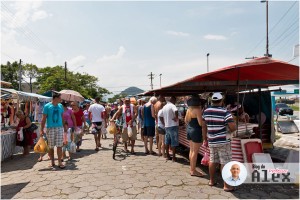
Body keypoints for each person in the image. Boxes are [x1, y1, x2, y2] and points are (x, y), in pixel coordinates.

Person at [202, 92, 236, 192]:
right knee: (225, 162)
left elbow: (204, 126)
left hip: (211, 140)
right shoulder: (225, 112)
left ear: (212, 101)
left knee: (213, 160)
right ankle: (226, 185)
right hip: (223, 141)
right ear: (221, 101)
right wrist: (231, 128)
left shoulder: (206, 111)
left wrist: (205, 139)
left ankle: (211, 181)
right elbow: (233, 127)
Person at [40, 92, 65, 169]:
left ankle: (60, 162)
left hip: (59, 128)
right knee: (51, 146)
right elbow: (43, 119)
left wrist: (65, 127)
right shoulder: (47, 106)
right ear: (55, 98)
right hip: (50, 128)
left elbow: (62, 117)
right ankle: (52, 161)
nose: (61, 99)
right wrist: (41, 129)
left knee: (59, 145)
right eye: (60, 98)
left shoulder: (60, 106)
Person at [185, 94, 204, 177]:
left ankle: (191, 169)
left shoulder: (188, 110)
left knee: (191, 150)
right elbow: (201, 123)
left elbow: (186, 120)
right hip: (196, 131)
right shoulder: (197, 110)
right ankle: (193, 170)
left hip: (189, 130)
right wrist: (205, 123)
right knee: (195, 152)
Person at [160, 96, 179, 161]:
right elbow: (176, 110)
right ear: (173, 100)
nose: (175, 102)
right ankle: (173, 157)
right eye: (175, 100)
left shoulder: (165, 106)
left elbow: (160, 116)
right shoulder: (172, 105)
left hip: (167, 126)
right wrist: (176, 118)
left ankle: (168, 156)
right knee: (174, 142)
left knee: (167, 142)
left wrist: (164, 123)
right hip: (173, 126)